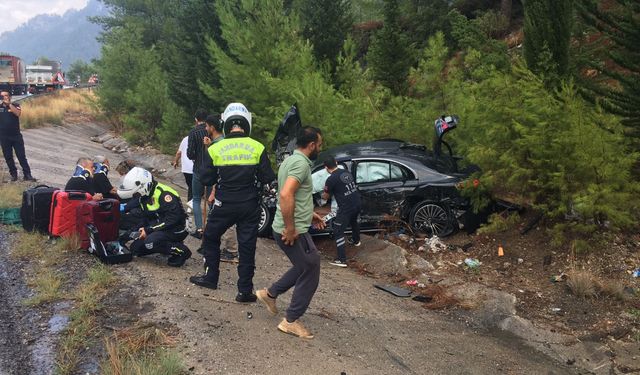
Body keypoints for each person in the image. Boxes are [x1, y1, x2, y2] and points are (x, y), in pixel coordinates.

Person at [189, 103, 276, 303]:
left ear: (225, 123)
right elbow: (266, 177)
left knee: (210, 237)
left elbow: (205, 179)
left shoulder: (216, 147)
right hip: (250, 205)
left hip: (224, 204)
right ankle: (245, 291)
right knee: (247, 247)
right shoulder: (258, 146)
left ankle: (211, 277)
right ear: (248, 123)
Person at [256, 126, 325, 339]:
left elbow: (295, 195)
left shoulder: (289, 161)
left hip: (292, 225)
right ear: (312, 144)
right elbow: (286, 195)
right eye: (319, 145)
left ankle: (270, 294)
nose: (320, 148)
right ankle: (291, 321)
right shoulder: (301, 165)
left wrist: (309, 213)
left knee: (305, 264)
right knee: (311, 269)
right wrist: (291, 227)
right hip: (291, 230)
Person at [117, 167, 191, 267]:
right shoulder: (144, 197)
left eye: (137, 193)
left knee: (150, 242)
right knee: (135, 249)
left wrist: (149, 230)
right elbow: (146, 218)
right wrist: (127, 235)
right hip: (159, 225)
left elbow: (173, 219)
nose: (136, 196)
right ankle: (165, 244)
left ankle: (182, 251)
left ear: (144, 186)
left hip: (176, 228)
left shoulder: (164, 194)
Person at [202, 113, 237, 263]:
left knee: (226, 219)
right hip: (222, 188)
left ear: (212, 127)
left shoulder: (220, 144)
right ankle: (214, 246)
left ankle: (230, 250)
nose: (205, 128)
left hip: (223, 189)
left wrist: (213, 193)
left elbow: (219, 171)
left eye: (206, 126)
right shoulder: (217, 143)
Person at [322, 157, 362, 267]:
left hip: (345, 208)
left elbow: (325, 197)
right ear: (336, 163)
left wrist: (323, 193)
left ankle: (341, 259)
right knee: (354, 222)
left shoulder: (331, 179)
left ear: (326, 168)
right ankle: (356, 241)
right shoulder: (346, 172)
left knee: (338, 231)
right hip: (357, 202)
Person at [187, 108, 212, 238]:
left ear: (196, 119)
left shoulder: (193, 132)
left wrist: (195, 156)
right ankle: (211, 227)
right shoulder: (211, 131)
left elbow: (190, 153)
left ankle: (199, 228)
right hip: (211, 170)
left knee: (196, 199)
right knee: (211, 200)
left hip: (198, 169)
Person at [0, 91, 36, 182]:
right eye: (2, 96)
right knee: (8, 157)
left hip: (16, 136)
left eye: (6, 95)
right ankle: (14, 174)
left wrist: (9, 104)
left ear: (10, 96)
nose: (4, 97)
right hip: (4, 137)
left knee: (21, 156)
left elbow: (17, 114)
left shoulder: (15, 105)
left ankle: (27, 174)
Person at [172, 136, 194, 201]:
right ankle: (191, 204)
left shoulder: (185, 139)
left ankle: (190, 205)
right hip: (196, 168)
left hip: (186, 169)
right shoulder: (202, 137)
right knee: (195, 188)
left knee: (191, 187)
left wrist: (175, 161)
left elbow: (179, 153)